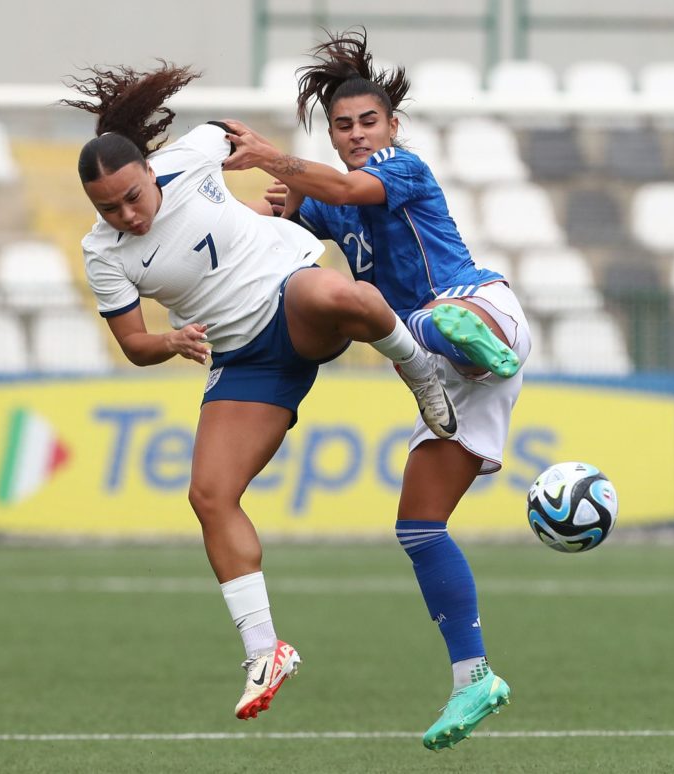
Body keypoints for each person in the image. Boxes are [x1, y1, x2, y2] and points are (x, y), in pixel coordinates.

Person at [62, 62, 459, 721]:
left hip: (291, 299)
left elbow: (232, 135)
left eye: (133, 195)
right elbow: (133, 343)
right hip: (243, 359)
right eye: (110, 207)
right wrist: (171, 341)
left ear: (149, 172)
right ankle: (265, 650)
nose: (127, 214)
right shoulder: (103, 253)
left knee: (335, 291)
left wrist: (269, 191)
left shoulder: (190, 158)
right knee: (209, 494)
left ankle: (421, 374)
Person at [222, 29, 532, 750]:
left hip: (481, 309)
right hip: (448, 373)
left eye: (369, 121)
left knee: (410, 316)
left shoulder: (403, 167)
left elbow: (351, 189)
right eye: (344, 126)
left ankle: (462, 333)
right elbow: (287, 222)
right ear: (330, 133)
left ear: (392, 126)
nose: (358, 134)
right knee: (419, 527)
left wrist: (275, 159)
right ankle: (473, 679)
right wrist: (272, 207)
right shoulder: (328, 203)